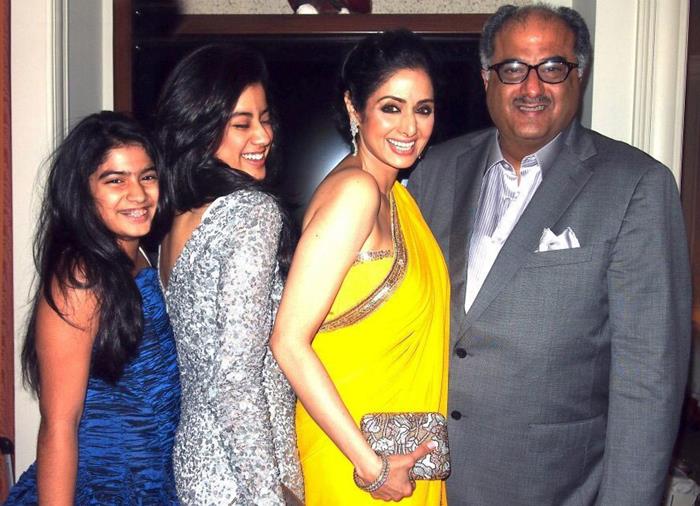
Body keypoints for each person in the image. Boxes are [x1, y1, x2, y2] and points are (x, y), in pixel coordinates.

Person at [408, 4, 692, 505]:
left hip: (552, 486)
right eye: (513, 68)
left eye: (553, 67)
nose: (532, 87)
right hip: (427, 481)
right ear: (487, 78)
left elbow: (650, 382)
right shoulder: (435, 169)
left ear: (579, 75)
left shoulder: (636, 185)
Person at [270, 30, 449, 505]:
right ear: (354, 107)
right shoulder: (356, 193)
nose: (409, 127)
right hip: (357, 467)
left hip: (398, 456)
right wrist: (371, 467)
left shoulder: (398, 198)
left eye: (423, 109)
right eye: (391, 107)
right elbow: (287, 340)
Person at [6, 111, 180, 504]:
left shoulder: (141, 254)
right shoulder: (80, 278)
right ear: (82, 191)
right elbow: (59, 425)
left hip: (153, 483)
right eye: (115, 180)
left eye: (147, 177)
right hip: (101, 488)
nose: (138, 195)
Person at [155, 45, 303, 505]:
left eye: (265, 118)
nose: (264, 135)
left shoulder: (176, 221)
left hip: (196, 464)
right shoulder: (251, 212)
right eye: (242, 124)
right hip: (249, 475)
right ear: (199, 129)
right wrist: (268, 497)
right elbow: (235, 378)